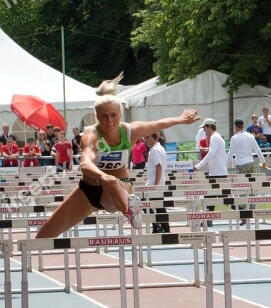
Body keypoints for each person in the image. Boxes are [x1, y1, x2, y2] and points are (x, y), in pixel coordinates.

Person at [36, 73, 200, 238]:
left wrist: (180, 120)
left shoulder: (131, 131)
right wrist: (102, 176)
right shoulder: (92, 134)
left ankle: (131, 212)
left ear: (120, 115)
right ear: (97, 117)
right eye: (104, 117)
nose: (109, 121)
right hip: (89, 191)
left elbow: (158, 124)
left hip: (121, 188)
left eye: (113, 115)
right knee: (43, 236)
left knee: (113, 183)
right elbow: (85, 163)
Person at [195, 118, 228, 219]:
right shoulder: (216, 137)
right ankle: (208, 219)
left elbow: (211, 153)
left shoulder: (215, 138)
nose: (204, 131)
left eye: (204, 128)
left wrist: (199, 165)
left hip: (217, 173)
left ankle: (242, 212)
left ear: (209, 127)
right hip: (216, 172)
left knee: (218, 197)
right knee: (212, 197)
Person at [145, 132, 170, 233]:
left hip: (154, 184)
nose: (145, 140)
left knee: (143, 203)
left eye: (147, 137)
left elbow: (158, 167)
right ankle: (161, 227)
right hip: (156, 182)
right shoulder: (158, 148)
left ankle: (158, 226)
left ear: (152, 137)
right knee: (159, 207)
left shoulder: (155, 150)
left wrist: (155, 185)